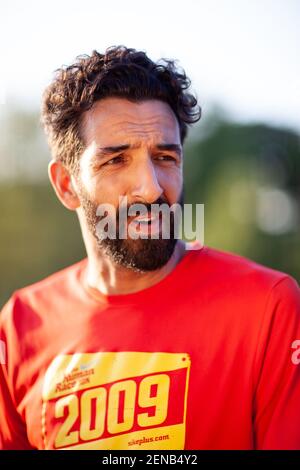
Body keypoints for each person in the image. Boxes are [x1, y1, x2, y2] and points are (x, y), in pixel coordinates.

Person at [0, 46, 300, 451]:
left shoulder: (268, 307)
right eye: (117, 160)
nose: (152, 188)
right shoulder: (20, 326)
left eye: (164, 157)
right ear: (67, 185)